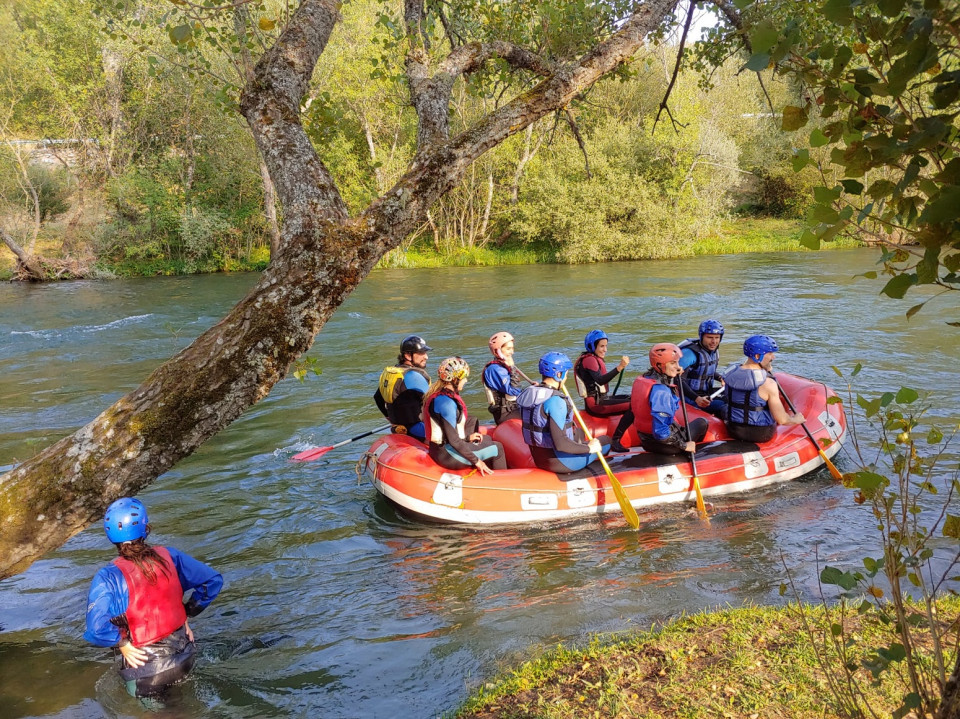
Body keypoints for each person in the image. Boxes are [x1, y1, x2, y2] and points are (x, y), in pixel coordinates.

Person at [84, 498, 223, 702]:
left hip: (146, 671)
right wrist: (187, 612)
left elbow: (96, 629)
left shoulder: (108, 577)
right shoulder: (170, 556)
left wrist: (122, 643)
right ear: (145, 528)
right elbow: (212, 581)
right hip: (185, 653)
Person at [516, 351, 611, 474]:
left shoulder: (530, 392)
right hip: (560, 463)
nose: (566, 378)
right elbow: (561, 444)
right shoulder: (556, 401)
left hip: (539, 459)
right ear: (559, 374)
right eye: (565, 374)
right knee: (606, 441)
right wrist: (589, 448)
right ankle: (593, 474)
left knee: (579, 433)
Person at [423, 356, 508, 475]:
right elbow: (453, 441)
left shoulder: (440, 396)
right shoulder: (446, 403)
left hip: (440, 450)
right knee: (497, 448)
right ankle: (502, 483)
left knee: (487, 439)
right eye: (464, 378)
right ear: (455, 379)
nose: (466, 381)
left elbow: (447, 435)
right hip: (447, 455)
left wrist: (468, 438)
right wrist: (477, 461)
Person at [723, 334, 805, 443]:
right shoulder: (768, 383)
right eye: (770, 354)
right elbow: (782, 420)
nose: (773, 357)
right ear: (757, 356)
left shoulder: (730, 374)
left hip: (733, 429)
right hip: (760, 433)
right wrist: (795, 419)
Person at [631, 343, 708, 456]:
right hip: (664, 445)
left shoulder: (644, 379)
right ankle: (691, 455)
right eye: (673, 363)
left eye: (677, 362)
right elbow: (661, 434)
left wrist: (674, 370)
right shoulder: (661, 392)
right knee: (702, 423)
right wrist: (685, 446)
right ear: (660, 365)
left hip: (644, 440)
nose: (678, 366)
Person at [573, 329, 633, 453]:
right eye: (601, 346)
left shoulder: (592, 358)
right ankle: (615, 441)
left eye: (606, 346)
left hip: (601, 399)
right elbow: (600, 380)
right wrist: (620, 367)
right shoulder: (589, 360)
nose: (605, 349)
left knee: (632, 398)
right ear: (592, 346)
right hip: (596, 404)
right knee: (633, 405)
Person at [374, 335, 432, 441]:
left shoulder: (392, 374)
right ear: (408, 356)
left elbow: (378, 397)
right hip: (417, 430)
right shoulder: (415, 376)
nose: (426, 357)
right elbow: (434, 403)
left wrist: (391, 419)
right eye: (421, 353)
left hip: (398, 428)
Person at [678, 319, 726, 416]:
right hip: (690, 397)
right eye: (710, 337)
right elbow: (677, 380)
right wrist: (696, 398)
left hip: (706, 393)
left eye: (717, 337)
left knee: (734, 398)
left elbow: (705, 372)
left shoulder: (713, 350)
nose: (714, 341)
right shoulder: (690, 354)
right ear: (701, 336)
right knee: (724, 406)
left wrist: (721, 378)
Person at [482, 331, 530, 425]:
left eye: (512, 348)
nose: (512, 352)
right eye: (508, 349)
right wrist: (512, 368)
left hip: (514, 408)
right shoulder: (495, 370)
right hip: (505, 414)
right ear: (498, 350)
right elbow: (514, 391)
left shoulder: (502, 366)